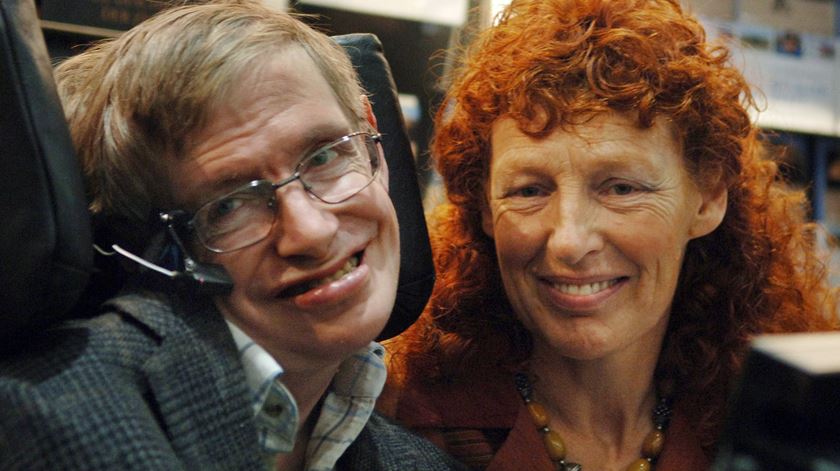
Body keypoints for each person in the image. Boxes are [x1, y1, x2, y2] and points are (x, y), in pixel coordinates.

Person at [0, 2, 465, 470]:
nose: (311, 232)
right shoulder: (59, 425)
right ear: (159, 250)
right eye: (230, 204)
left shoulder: (418, 461)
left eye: (324, 157)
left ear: (374, 139)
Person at [380, 0, 839, 470]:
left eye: (621, 188)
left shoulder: (778, 432)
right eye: (529, 190)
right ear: (483, 210)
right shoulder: (402, 428)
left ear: (708, 199)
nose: (569, 241)